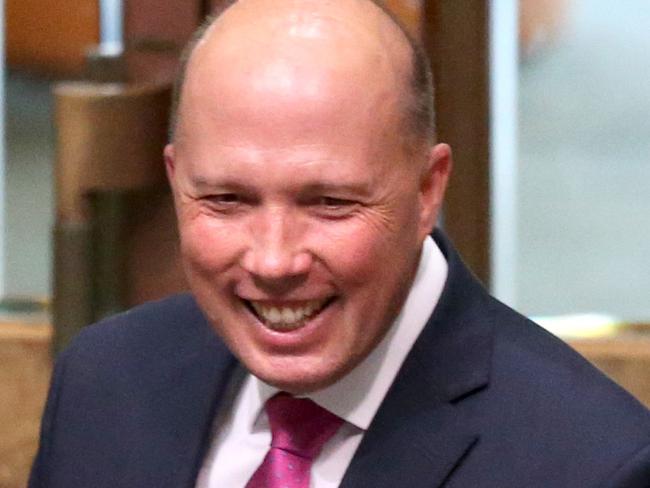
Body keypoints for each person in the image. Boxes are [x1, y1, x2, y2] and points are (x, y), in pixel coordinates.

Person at [30, 0, 650, 487]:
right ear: (174, 180)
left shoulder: (592, 464)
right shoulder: (104, 381)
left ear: (428, 189)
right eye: (226, 200)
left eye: (329, 203)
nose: (273, 260)